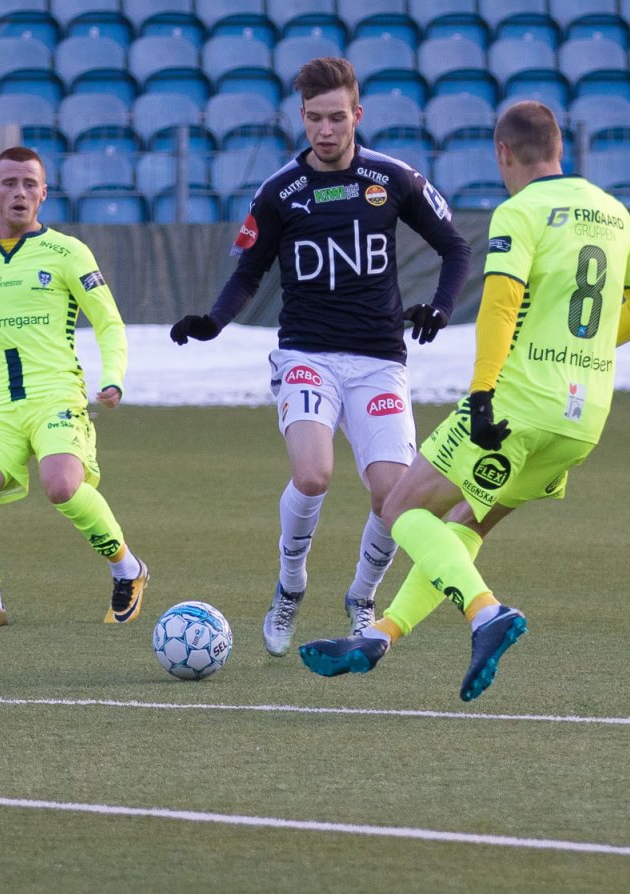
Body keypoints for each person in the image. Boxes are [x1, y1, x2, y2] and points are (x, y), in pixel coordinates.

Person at [299, 100, 630, 701]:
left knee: (399, 507)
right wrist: (584, 348)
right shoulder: (612, 210)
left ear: (503, 152)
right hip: (582, 420)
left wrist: (481, 394)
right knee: (465, 525)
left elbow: (499, 306)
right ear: (559, 149)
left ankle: (485, 611)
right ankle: (381, 635)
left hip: (518, 404)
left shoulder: (519, 212)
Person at [170, 57, 471, 656]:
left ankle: (362, 598)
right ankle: (290, 586)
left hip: (379, 360)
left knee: (393, 498)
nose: (325, 130)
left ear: (357, 114)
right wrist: (214, 322)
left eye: (337, 117)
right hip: (307, 354)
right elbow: (248, 272)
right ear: (302, 117)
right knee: (313, 475)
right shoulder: (280, 191)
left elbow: (456, 248)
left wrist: (439, 308)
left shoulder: (393, 178)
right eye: (314, 118)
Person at [0, 146, 148, 629]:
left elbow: (109, 322)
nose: (20, 192)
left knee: (62, 484)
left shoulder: (68, 252)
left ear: (44, 193)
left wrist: (113, 376)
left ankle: (128, 569)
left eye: (30, 184)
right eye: (9, 182)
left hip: (55, 396)